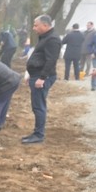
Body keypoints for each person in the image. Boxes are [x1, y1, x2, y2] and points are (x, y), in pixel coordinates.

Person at [22, 14, 61, 144]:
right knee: (36, 106)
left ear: (45, 25)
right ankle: (37, 132)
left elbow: (51, 60)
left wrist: (42, 78)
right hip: (36, 75)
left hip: (42, 77)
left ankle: (39, 135)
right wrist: (30, 74)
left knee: (39, 106)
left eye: (36, 25)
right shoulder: (45, 37)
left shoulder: (52, 40)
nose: (34, 28)